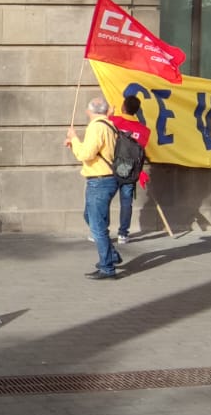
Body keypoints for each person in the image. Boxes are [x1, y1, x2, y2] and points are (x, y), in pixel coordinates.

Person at [65, 97, 123, 280]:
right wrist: (75, 143)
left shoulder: (96, 126)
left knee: (97, 225)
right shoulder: (109, 125)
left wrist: (74, 139)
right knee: (90, 217)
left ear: (89, 111)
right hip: (107, 179)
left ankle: (107, 267)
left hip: (99, 180)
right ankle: (111, 254)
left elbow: (86, 154)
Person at [106, 95, 152, 245]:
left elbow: (104, 126)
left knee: (104, 200)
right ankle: (123, 234)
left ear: (124, 107)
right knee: (126, 203)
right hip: (131, 170)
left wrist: (110, 113)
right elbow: (142, 151)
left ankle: (102, 231)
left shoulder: (115, 121)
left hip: (112, 167)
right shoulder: (144, 131)